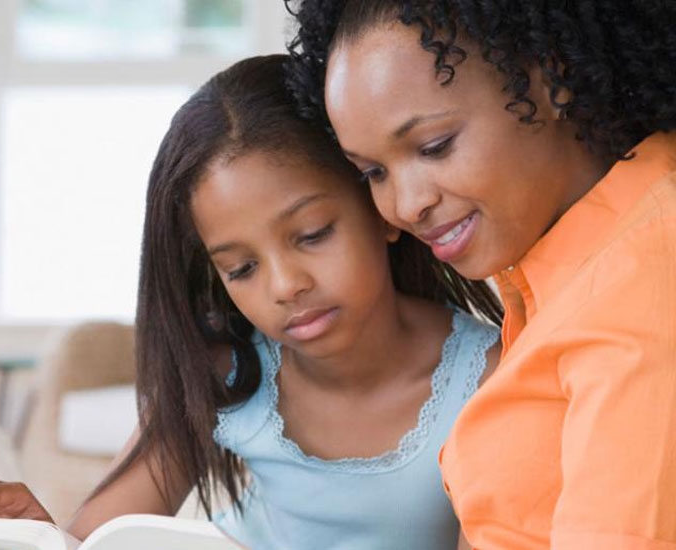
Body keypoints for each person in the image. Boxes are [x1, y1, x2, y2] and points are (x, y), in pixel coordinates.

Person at [0, 54, 502, 550]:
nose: (284, 285)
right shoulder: (226, 367)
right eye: (242, 268)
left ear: (380, 201)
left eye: (313, 234)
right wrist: (38, 531)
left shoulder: (488, 381)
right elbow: (97, 539)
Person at [285, 1, 676, 549]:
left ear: (552, 78)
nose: (405, 205)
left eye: (434, 147)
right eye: (373, 172)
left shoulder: (641, 284)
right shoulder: (567, 263)